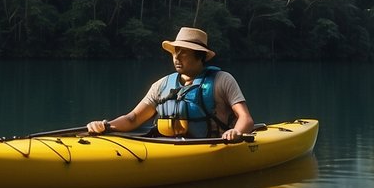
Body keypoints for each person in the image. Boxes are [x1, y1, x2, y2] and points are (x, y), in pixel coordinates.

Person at [87, 27, 254, 141]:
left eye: (184, 52)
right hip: (169, 147)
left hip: (213, 146)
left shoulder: (222, 80)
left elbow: (246, 119)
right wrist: (106, 125)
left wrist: (236, 132)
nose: (176, 57)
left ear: (200, 56)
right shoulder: (161, 85)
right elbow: (133, 118)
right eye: (175, 52)